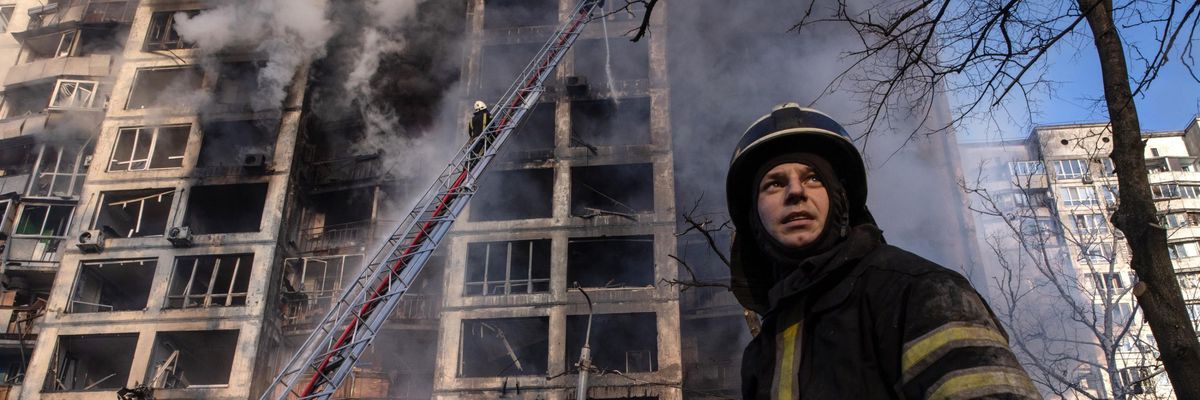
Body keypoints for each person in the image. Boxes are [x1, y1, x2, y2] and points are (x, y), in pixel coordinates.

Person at [725, 103, 1039, 399]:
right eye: (775, 184)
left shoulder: (918, 291)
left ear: (841, 200)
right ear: (754, 216)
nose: (796, 192)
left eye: (813, 178)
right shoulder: (761, 353)